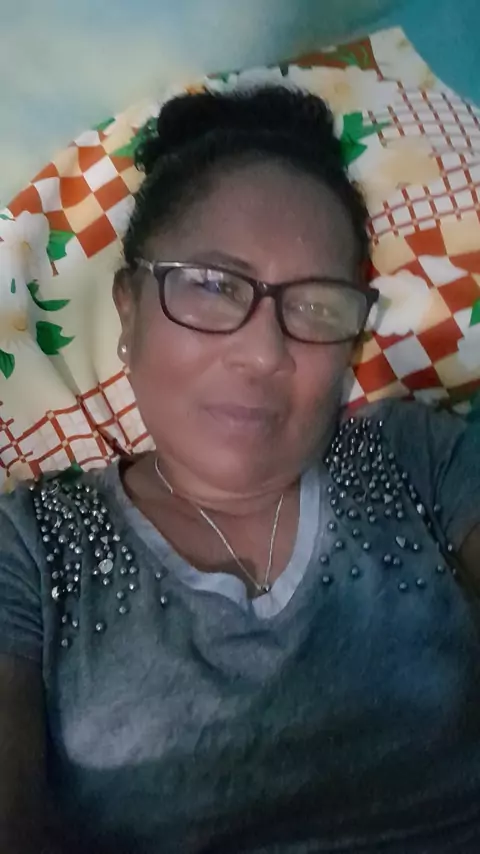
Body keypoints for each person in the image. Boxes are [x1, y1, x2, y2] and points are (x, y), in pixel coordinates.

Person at [0, 85, 479, 854]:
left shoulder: (414, 457)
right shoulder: (31, 549)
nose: (263, 353)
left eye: (318, 306)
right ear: (129, 309)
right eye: (213, 286)